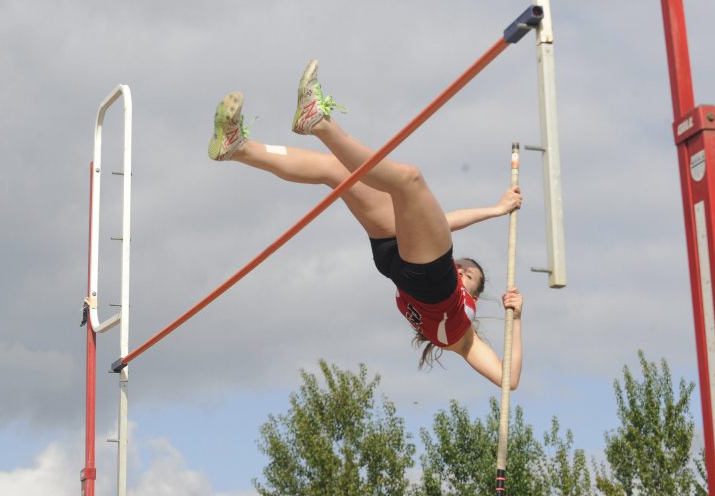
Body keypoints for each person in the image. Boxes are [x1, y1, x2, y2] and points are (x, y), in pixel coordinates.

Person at [207, 60, 524, 389]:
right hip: (397, 258)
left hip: (425, 281)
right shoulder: (439, 260)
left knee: (410, 180)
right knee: (337, 172)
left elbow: (508, 379)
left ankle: (318, 123)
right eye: (461, 266)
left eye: (469, 275)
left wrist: (515, 316)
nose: (461, 270)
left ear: (473, 293)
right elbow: (442, 225)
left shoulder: (464, 340)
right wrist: (496, 210)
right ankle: (240, 149)